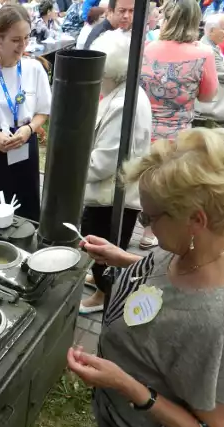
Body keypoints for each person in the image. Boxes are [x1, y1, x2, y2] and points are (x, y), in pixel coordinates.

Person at [68, 128, 224, 427]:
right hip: (121, 422)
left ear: (196, 219)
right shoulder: (223, 233)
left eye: (149, 219)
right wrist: (123, 258)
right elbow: (177, 283)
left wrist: (127, 385)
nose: (145, 226)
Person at [79, 30, 152, 315]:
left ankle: (103, 294)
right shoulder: (122, 94)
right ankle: (99, 283)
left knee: (103, 245)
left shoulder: (124, 105)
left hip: (112, 197)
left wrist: (74, 172)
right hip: (109, 193)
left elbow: (104, 162)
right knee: (98, 245)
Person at [138, 0, 218, 250]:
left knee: (144, 179)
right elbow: (207, 96)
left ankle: (143, 228)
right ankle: (161, 233)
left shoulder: (147, 47)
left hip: (143, 128)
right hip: (177, 132)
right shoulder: (204, 54)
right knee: (170, 184)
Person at [0, 4, 52, 222]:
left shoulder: (34, 70)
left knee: (27, 212)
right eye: (16, 40)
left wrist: (29, 128)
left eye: (26, 38)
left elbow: (43, 111)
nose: (22, 46)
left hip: (25, 145)